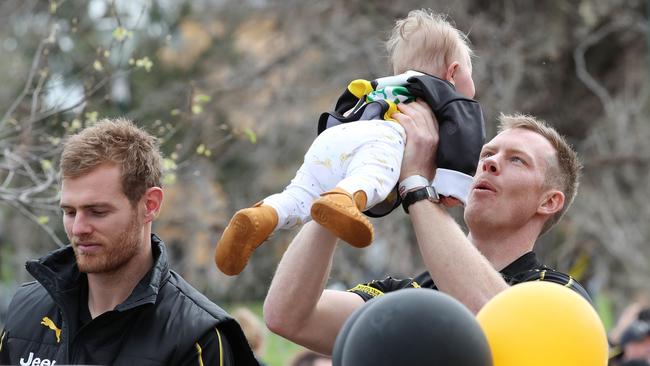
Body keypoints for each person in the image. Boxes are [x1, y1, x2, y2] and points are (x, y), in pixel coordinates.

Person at [263, 110, 589, 355]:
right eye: (487, 154)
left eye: (517, 160)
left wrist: (416, 184)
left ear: (549, 202)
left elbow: (496, 320)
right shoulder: (405, 295)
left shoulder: (557, 293)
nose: (489, 164)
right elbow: (289, 317)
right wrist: (342, 189)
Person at [216, 9, 480, 276]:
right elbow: (464, 136)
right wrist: (452, 188)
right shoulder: (445, 93)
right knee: (372, 177)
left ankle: (262, 216)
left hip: (333, 138)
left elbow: (344, 107)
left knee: (300, 195)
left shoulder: (381, 86)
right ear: (453, 72)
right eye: (471, 73)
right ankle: (344, 198)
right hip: (381, 138)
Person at [0, 119, 258, 365]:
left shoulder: (198, 336)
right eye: (69, 212)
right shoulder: (26, 309)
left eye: (98, 212)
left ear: (150, 205)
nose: (78, 228)